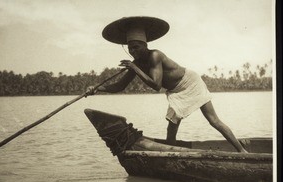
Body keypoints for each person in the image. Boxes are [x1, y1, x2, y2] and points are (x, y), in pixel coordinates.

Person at [87, 16, 248, 153]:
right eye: (130, 49)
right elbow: (119, 86)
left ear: (145, 45)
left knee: (213, 120)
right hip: (176, 91)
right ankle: (170, 152)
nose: (133, 52)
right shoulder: (136, 64)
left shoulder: (155, 56)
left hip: (190, 82)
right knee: (172, 124)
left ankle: (242, 151)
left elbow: (156, 85)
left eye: (136, 47)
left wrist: (134, 68)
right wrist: (96, 88)